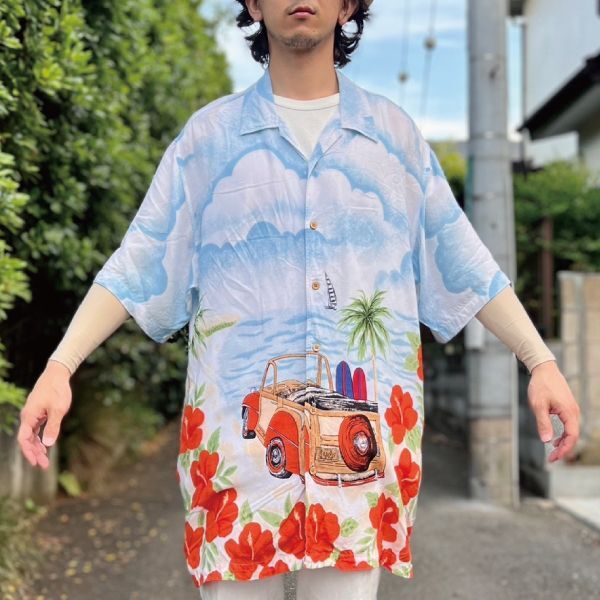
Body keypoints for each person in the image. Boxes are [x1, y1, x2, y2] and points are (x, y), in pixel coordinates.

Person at [18, 1, 580, 599]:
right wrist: (60, 366)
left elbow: (465, 262)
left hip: (356, 487)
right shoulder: (206, 141)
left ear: (348, 5)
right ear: (254, 5)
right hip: (237, 474)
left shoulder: (395, 141)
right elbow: (137, 263)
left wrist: (539, 361)